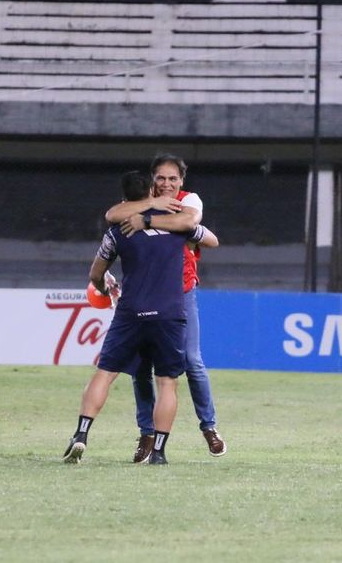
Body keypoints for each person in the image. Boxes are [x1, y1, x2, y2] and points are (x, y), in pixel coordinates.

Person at [63, 170, 208, 465]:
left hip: (131, 313)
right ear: (152, 192)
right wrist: (179, 218)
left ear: (125, 197)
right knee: (167, 382)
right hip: (169, 313)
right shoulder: (177, 225)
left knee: (106, 373)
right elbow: (211, 240)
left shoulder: (117, 231)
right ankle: (159, 452)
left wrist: (106, 287)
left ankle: (81, 434)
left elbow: (95, 274)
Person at [105, 153, 227, 462]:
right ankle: (147, 435)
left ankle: (208, 427)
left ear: (182, 181)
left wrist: (146, 219)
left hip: (180, 292)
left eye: (173, 178)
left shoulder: (189, 200)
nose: (167, 183)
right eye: (161, 178)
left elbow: (188, 221)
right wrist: (147, 207)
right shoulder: (145, 198)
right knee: (141, 368)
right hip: (143, 293)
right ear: (153, 179)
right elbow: (112, 215)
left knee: (192, 361)